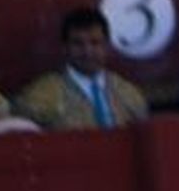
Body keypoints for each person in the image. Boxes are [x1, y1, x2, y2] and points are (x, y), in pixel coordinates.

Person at [13, 7, 149, 131]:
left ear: (106, 46)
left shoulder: (129, 95)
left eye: (95, 43)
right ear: (65, 48)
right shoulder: (40, 96)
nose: (87, 52)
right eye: (78, 44)